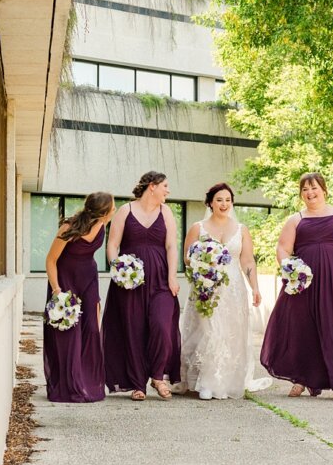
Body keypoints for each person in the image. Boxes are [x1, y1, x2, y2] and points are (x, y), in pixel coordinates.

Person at [260, 172, 333, 402]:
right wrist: (289, 267)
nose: (310, 193)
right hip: (304, 282)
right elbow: (282, 249)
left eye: (314, 188)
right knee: (304, 328)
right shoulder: (296, 220)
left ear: (324, 190)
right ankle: (301, 378)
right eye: (305, 190)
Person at [173, 182, 273, 400]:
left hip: (233, 288)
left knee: (230, 333)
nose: (224, 204)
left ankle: (224, 381)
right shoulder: (198, 228)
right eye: (219, 200)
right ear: (210, 202)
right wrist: (206, 263)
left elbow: (247, 261)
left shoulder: (241, 229)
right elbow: (187, 258)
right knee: (207, 331)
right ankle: (205, 382)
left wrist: (254, 286)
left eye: (228, 200)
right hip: (206, 286)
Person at [102, 171, 182, 401]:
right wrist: (118, 269)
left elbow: (171, 247)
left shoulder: (165, 212)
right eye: (165, 185)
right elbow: (113, 245)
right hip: (131, 282)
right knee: (133, 330)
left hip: (160, 279)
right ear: (152, 186)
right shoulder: (125, 211)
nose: (168, 190)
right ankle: (138, 383)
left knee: (161, 325)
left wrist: (173, 277)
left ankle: (157, 376)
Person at [43, 192, 116, 403]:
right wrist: (57, 291)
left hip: (89, 281)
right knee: (69, 335)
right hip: (65, 282)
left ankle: (87, 384)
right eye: (112, 207)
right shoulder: (68, 228)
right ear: (102, 211)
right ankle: (68, 386)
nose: (114, 210)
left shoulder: (101, 225)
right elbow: (51, 260)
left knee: (92, 328)